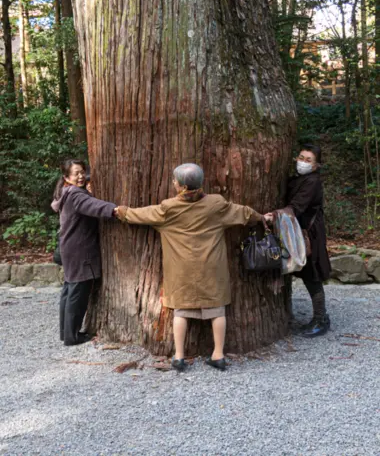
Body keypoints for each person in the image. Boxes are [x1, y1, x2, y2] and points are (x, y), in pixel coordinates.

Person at [115, 163, 263, 371]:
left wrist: (121, 212)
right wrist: (262, 217)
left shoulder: (169, 208)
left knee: (181, 311)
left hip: (181, 270)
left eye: (174, 180)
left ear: (180, 185)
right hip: (212, 268)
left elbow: (141, 214)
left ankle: (179, 356)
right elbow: (244, 213)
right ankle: (218, 355)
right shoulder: (216, 204)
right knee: (217, 310)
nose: (173, 183)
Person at [265, 144, 331, 337]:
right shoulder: (298, 178)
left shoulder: (312, 181)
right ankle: (319, 318)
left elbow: (298, 206)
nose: (303, 162)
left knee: (312, 274)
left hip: (310, 234)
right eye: (301, 157)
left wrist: (274, 216)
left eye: (308, 160)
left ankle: (321, 319)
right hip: (296, 230)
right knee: (301, 270)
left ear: (317, 165)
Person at [52, 159, 117, 346]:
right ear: (67, 177)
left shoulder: (65, 192)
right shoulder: (76, 195)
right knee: (77, 293)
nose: (80, 176)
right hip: (80, 249)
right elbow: (94, 206)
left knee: (69, 290)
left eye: (82, 172)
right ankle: (72, 337)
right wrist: (116, 210)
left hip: (70, 247)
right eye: (75, 174)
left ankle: (67, 333)